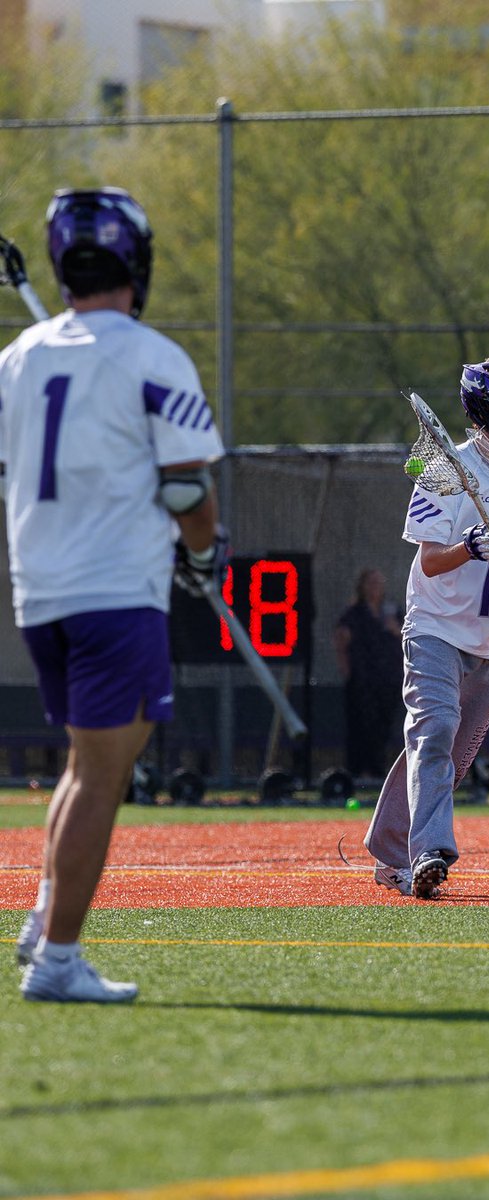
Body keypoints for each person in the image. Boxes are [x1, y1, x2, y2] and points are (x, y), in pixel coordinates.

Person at [0, 187, 228, 1002]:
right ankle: (60, 960)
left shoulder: (19, 357)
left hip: (41, 593)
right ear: (136, 262)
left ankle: (40, 924)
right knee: (104, 774)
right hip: (115, 589)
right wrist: (205, 553)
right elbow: (185, 485)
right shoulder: (153, 356)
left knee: (90, 760)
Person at [364, 357, 489, 899]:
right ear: (485, 410)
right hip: (436, 628)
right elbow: (431, 561)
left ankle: (387, 851)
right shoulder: (444, 471)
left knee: (445, 759)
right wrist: (472, 547)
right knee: (432, 732)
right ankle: (430, 852)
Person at [333, 568, 404, 780]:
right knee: (361, 725)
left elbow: (407, 638)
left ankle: (377, 771)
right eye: (371, 583)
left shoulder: (390, 611)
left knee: (383, 726)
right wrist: (346, 669)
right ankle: (356, 773)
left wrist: (396, 630)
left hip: (388, 678)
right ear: (362, 587)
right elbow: (341, 641)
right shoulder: (354, 613)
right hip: (362, 679)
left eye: (378, 583)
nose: (375, 587)